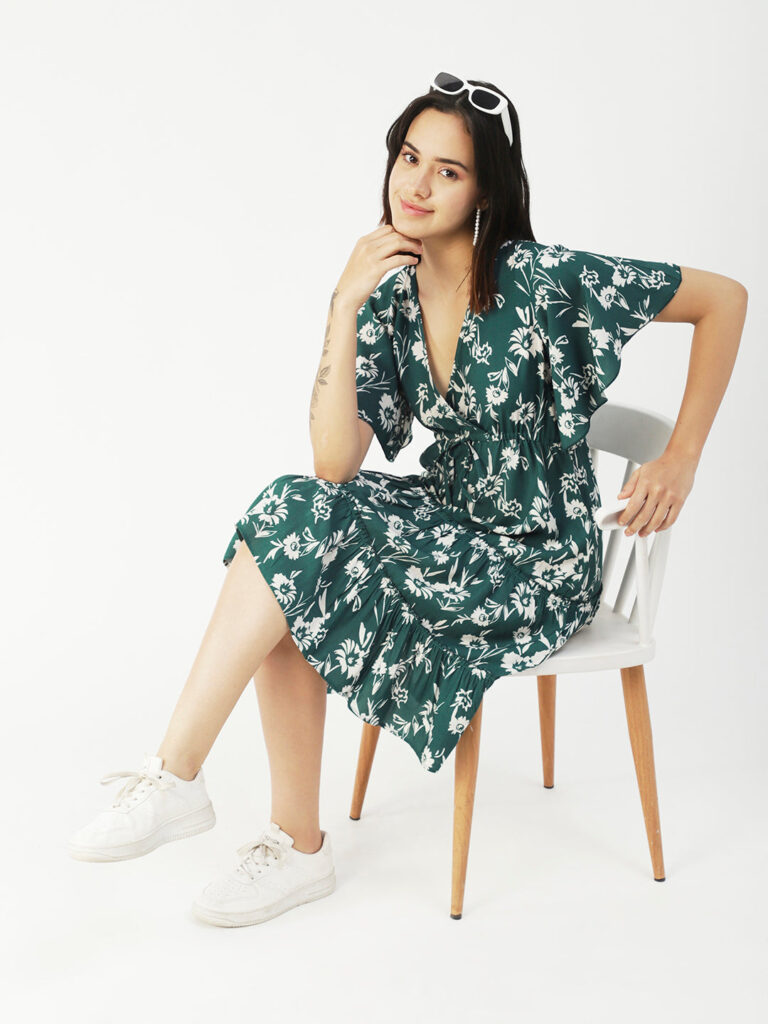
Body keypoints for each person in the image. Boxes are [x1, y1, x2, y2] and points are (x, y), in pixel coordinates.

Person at [67, 72, 748, 927]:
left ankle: (247, 817)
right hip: (451, 519)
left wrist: (682, 457)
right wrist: (344, 302)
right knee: (291, 525)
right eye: (408, 158)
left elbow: (724, 299)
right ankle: (214, 798)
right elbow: (332, 464)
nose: (417, 184)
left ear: (486, 191)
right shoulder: (391, 294)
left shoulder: (541, 278)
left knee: (300, 555)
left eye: (448, 171)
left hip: (537, 558)